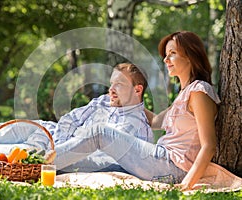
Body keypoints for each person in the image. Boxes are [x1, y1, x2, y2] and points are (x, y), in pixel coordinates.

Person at [53, 31, 221, 190]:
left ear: (191, 55)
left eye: (172, 53)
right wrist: (127, 97)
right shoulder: (184, 94)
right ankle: (37, 168)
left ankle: (37, 162)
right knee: (85, 162)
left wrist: (187, 184)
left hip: (171, 165)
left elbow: (209, 145)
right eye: (165, 55)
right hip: (159, 162)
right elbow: (155, 122)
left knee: (100, 132)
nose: (166, 60)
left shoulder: (199, 91)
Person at [0, 63, 152, 172]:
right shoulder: (104, 100)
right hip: (54, 132)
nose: (111, 89)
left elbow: (102, 162)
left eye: (119, 84)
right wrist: (55, 137)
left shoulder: (134, 127)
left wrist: (54, 152)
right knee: (11, 128)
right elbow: (72, 118)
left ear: (137, 90)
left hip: (60, 154)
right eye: (111, 83)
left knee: (8, 152)